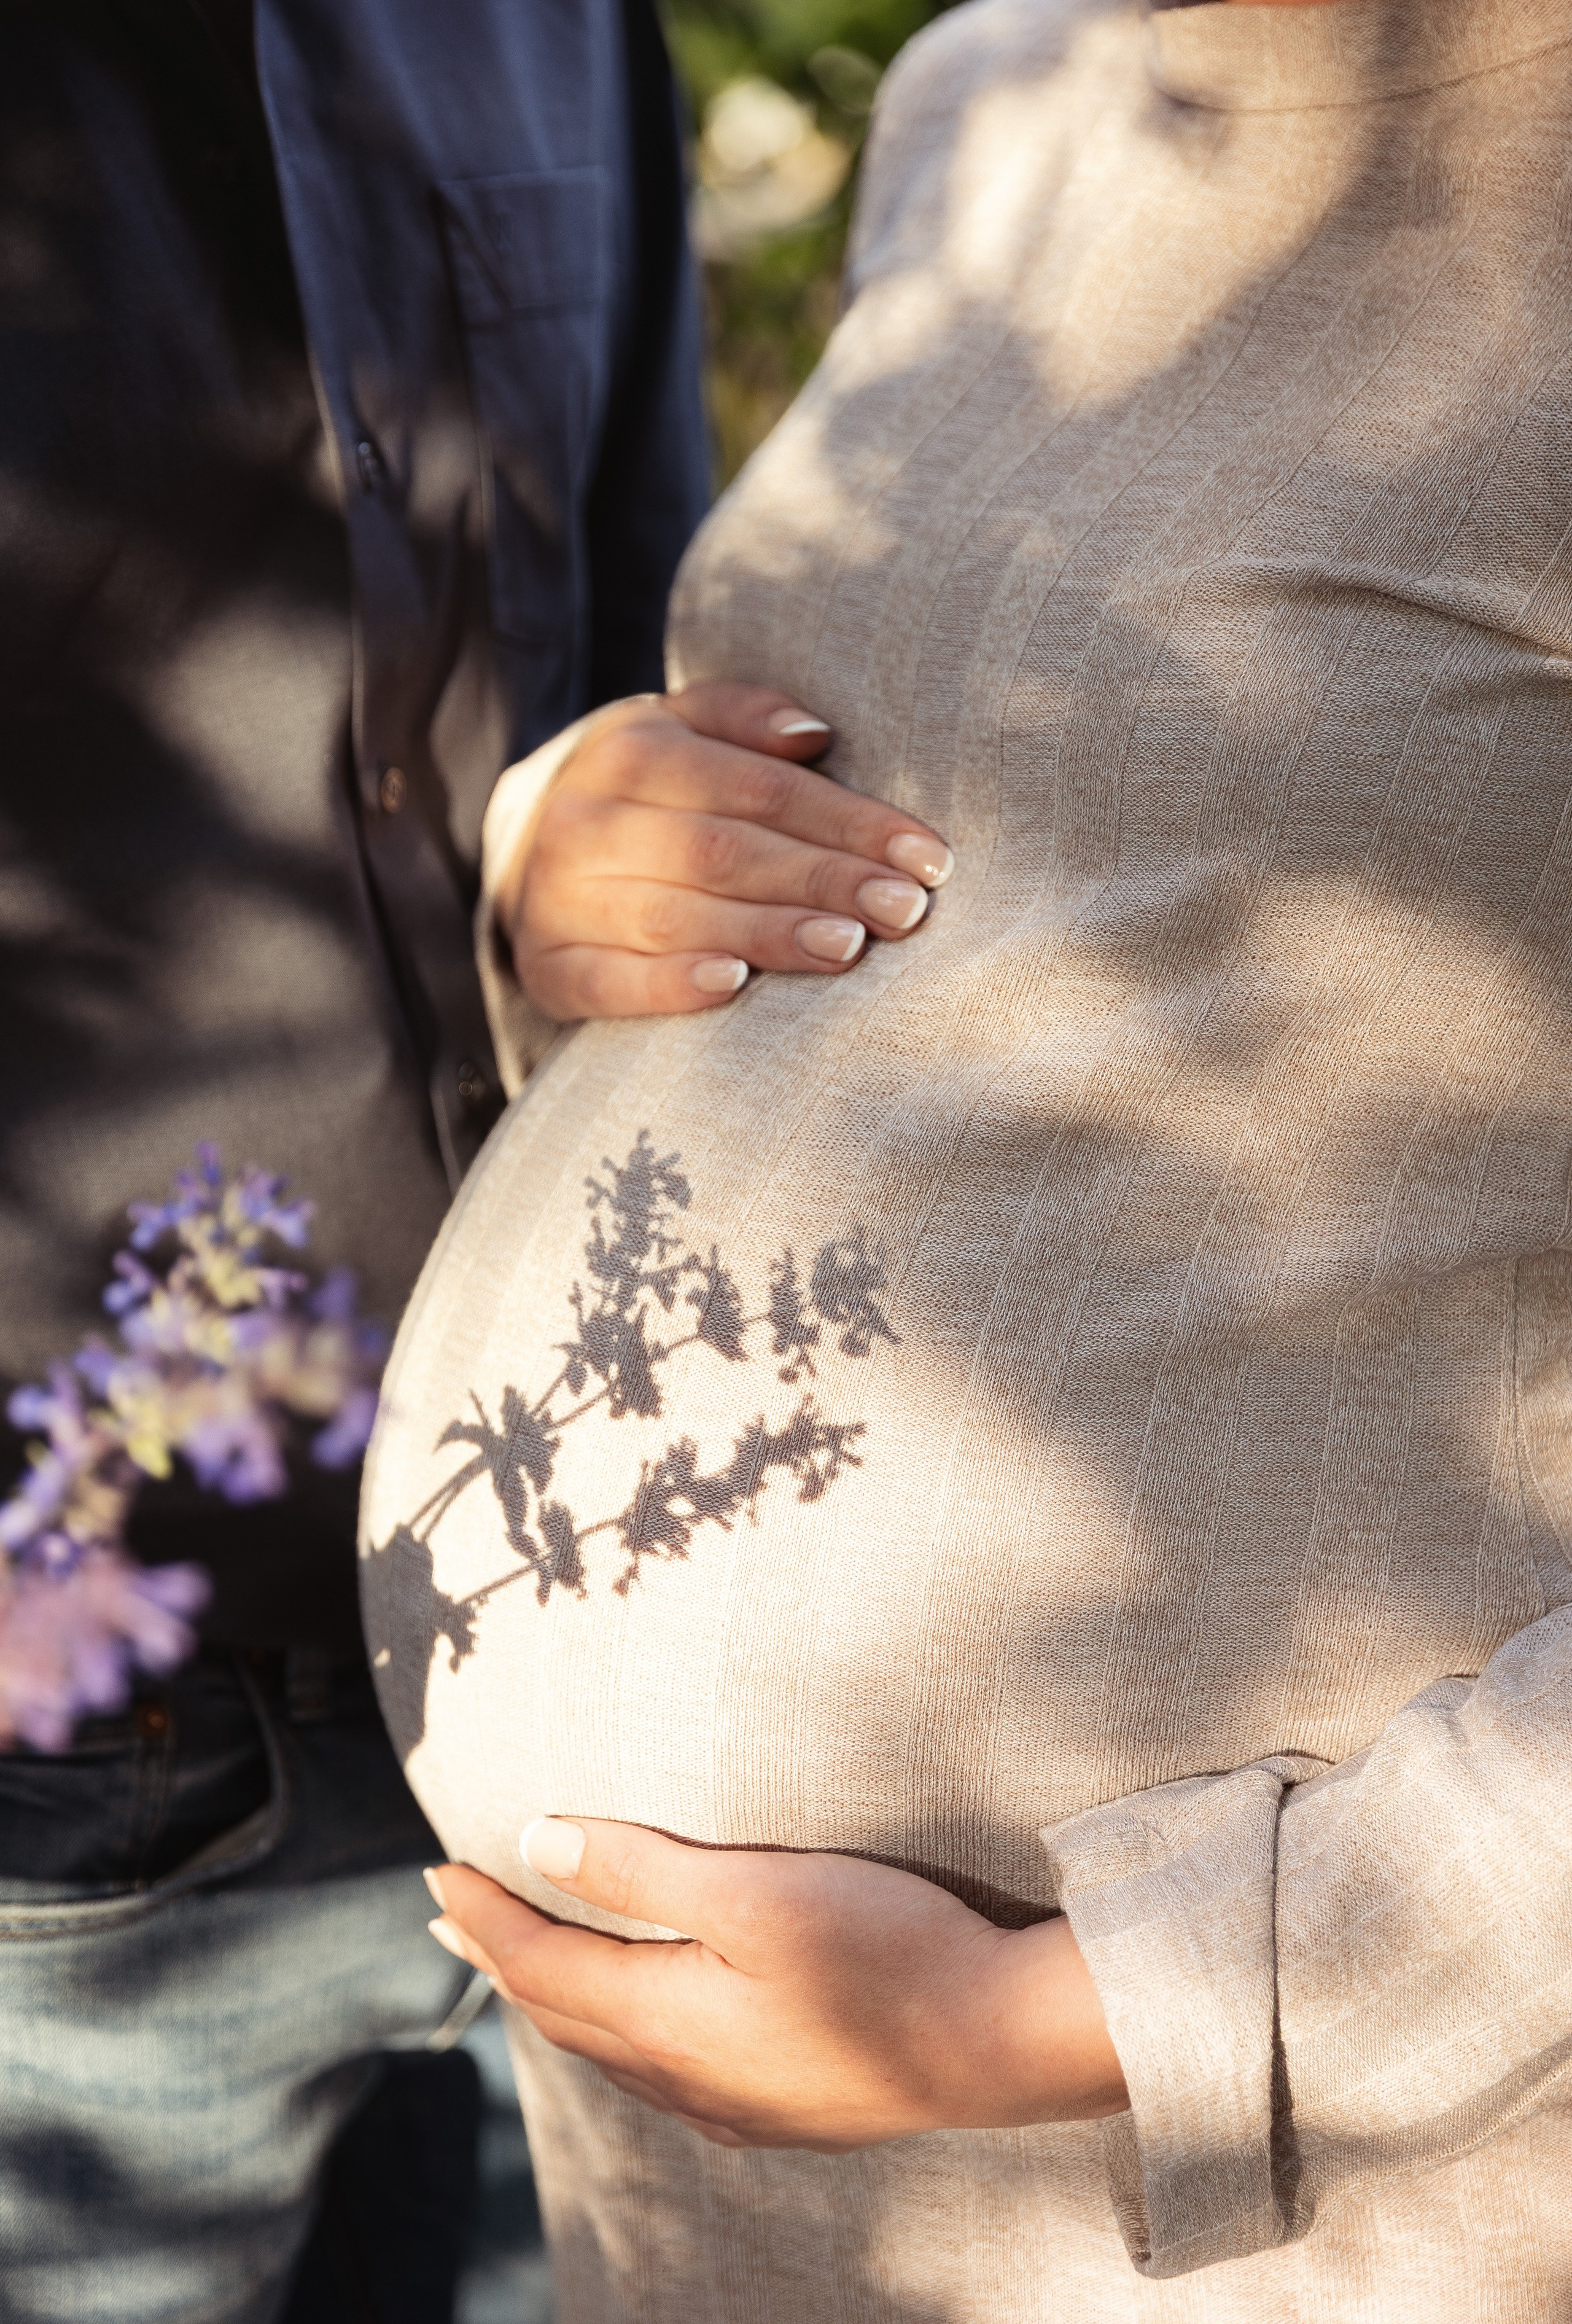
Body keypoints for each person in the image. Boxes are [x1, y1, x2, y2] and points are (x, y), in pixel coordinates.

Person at [362, 0, 1572, 2313]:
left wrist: (1080, 2011)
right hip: (702, 2179)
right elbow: (981, 897)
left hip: (1283, 2201)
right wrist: (563, 867)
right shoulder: (986, 94)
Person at [0, 4, 940, 2317]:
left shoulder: (551, 28)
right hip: (74, 1741)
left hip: (589, 1646)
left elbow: (645, 624)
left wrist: (591, 837)